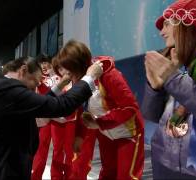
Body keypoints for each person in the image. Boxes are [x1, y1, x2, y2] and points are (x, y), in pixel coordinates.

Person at [0, 56, 103, 180]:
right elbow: (61, 106)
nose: (35, 88)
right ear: (23, 70)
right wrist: (89, 77)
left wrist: (61, 84)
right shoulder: (8, 90)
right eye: (35, 83)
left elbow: (40, 103)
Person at [52, 40, 144, 180]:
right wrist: (80, 136)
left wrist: (101, 123)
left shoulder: (108, 74)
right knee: (107, 174)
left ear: (78, 65)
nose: (67, 76)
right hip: (106, 134)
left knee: (127, 176)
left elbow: (130, 107)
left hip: (129, 133)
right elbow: (83, 110)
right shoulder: (80, 80)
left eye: (69, 71)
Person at [142, 0, 196, 179]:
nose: (161, 32)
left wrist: (172, 78)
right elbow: (151, 115)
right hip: (163, 163)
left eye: (167, 24)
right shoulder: (176, 62)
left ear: (187, 25)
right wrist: (154, 89)